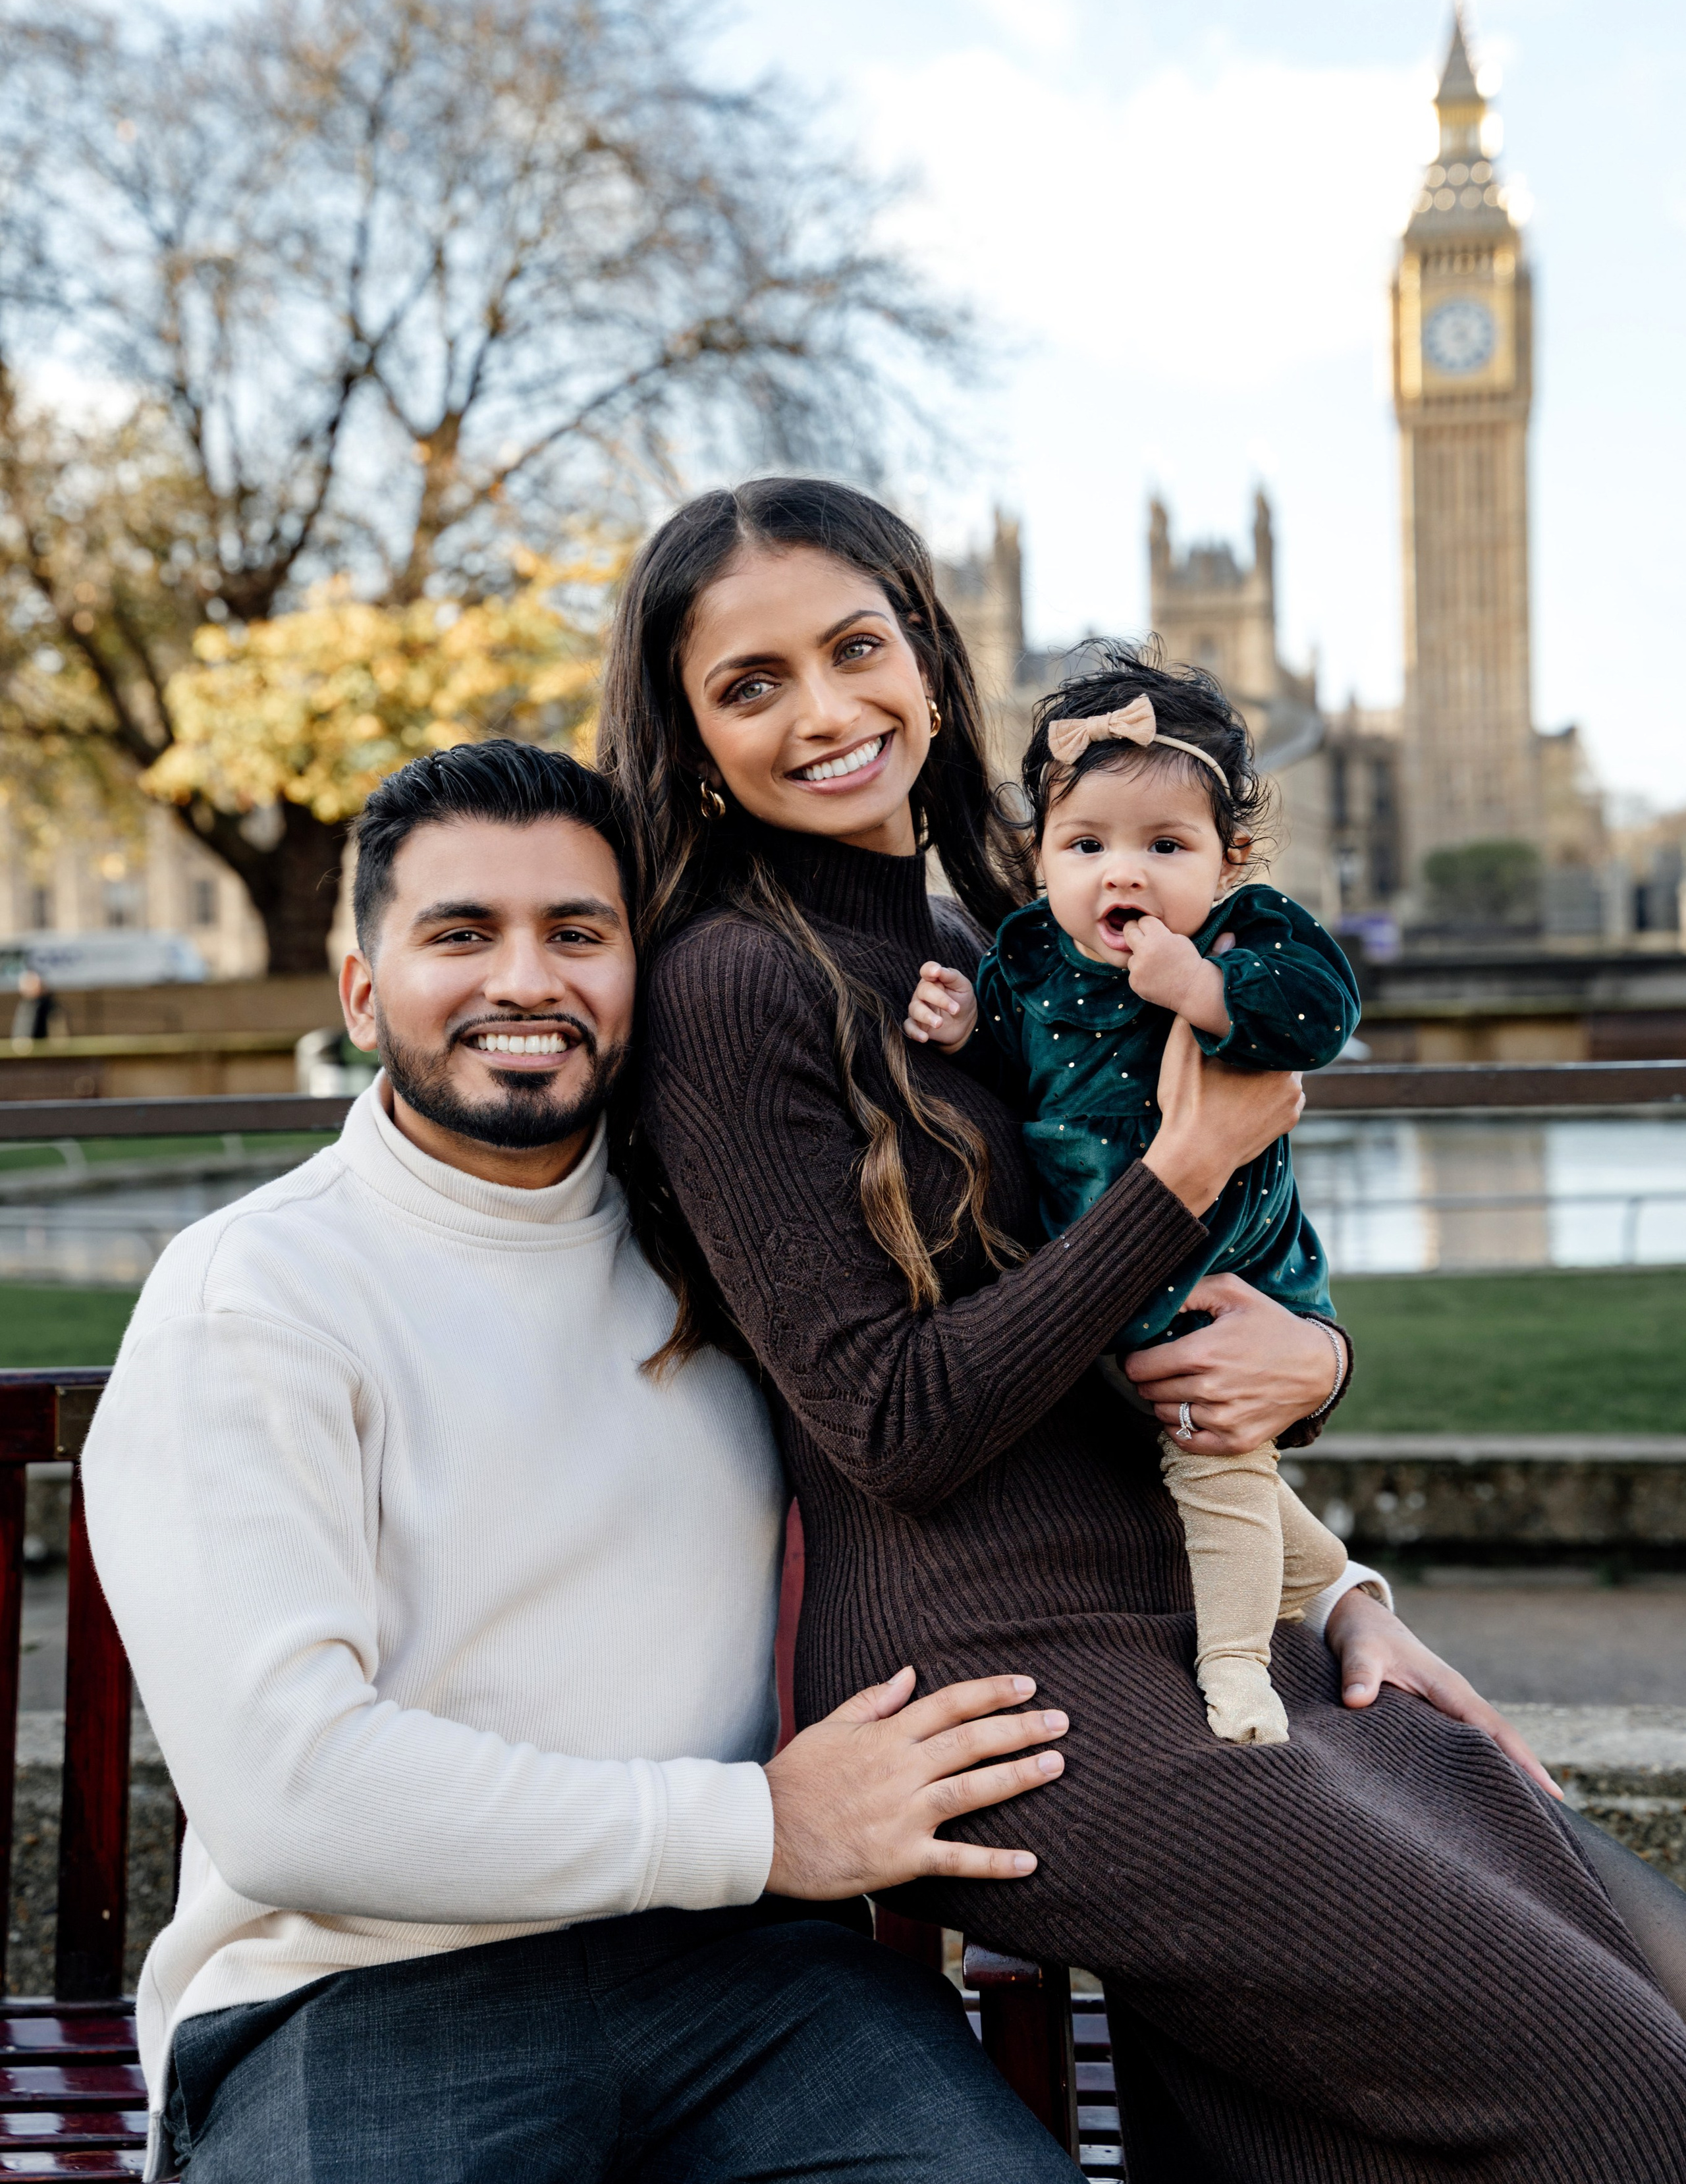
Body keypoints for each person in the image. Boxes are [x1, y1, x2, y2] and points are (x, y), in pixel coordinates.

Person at [601, 474, 1686, 2183]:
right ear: (686, 730)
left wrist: (1338, 1575)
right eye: (751, 684)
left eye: (856, 648)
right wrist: (1186, 1168)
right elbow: (892, 1418)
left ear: (933, 663)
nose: (823, 712)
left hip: (1183, 1613)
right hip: (1001, 1686)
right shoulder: (731, 990)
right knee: (1625, 2092)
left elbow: (1124, 1326)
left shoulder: (987, 951)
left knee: (1566, 1896)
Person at [82, 740, 1085, 2184]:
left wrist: (1328, 1584)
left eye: (575, 932)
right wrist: (755, 1825)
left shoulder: (721, 1239)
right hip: (365, 1992)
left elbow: (1016, 1398)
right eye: (459, 933)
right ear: (363, 989)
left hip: (747, 1978)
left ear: (637, 971)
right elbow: (291, 1790)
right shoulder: (255, 1291)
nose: (525, 980)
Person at [906, 643, 1355, 1745]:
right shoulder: (1026, 957)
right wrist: (969, 1032)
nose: (1126, 874)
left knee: (1215, 1476)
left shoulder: (1249, 938)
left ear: (1227, 858)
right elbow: (1020, 1074)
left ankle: (1240, 1671)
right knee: (1178, 1467)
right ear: (1042, 856)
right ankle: (1328, 1575)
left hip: (1215, 1281)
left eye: (1165, 846)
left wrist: (1203, 988)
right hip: (1091, 1281)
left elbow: (1320, 1017)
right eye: (1087, 844)